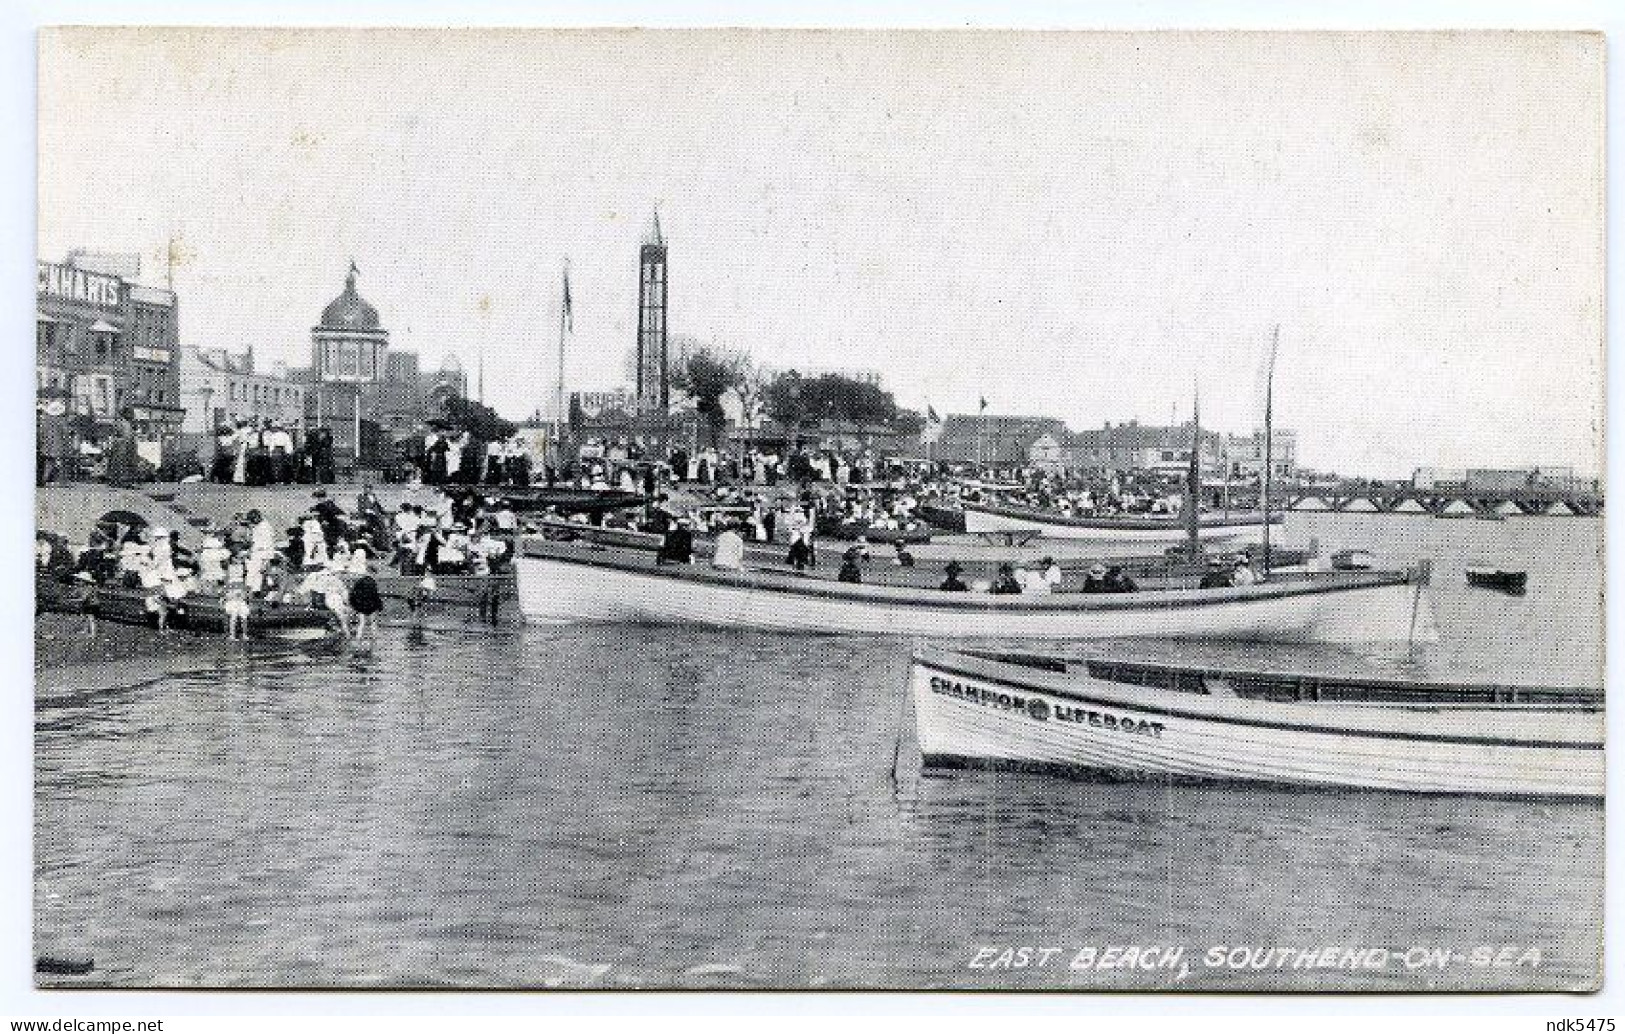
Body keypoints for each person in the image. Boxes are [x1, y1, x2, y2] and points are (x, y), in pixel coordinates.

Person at [347, 558, 383, 642]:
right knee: (373, 623)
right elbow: (375, 596)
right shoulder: (373, 583)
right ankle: (374, 639)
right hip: (371, 606)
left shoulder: (360, 581)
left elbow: (353, 594)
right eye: (375, 574)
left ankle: (358, 639)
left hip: (361, 606)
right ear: (373, 573)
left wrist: (354, 605)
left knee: (361, 623)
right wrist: (380, 606)